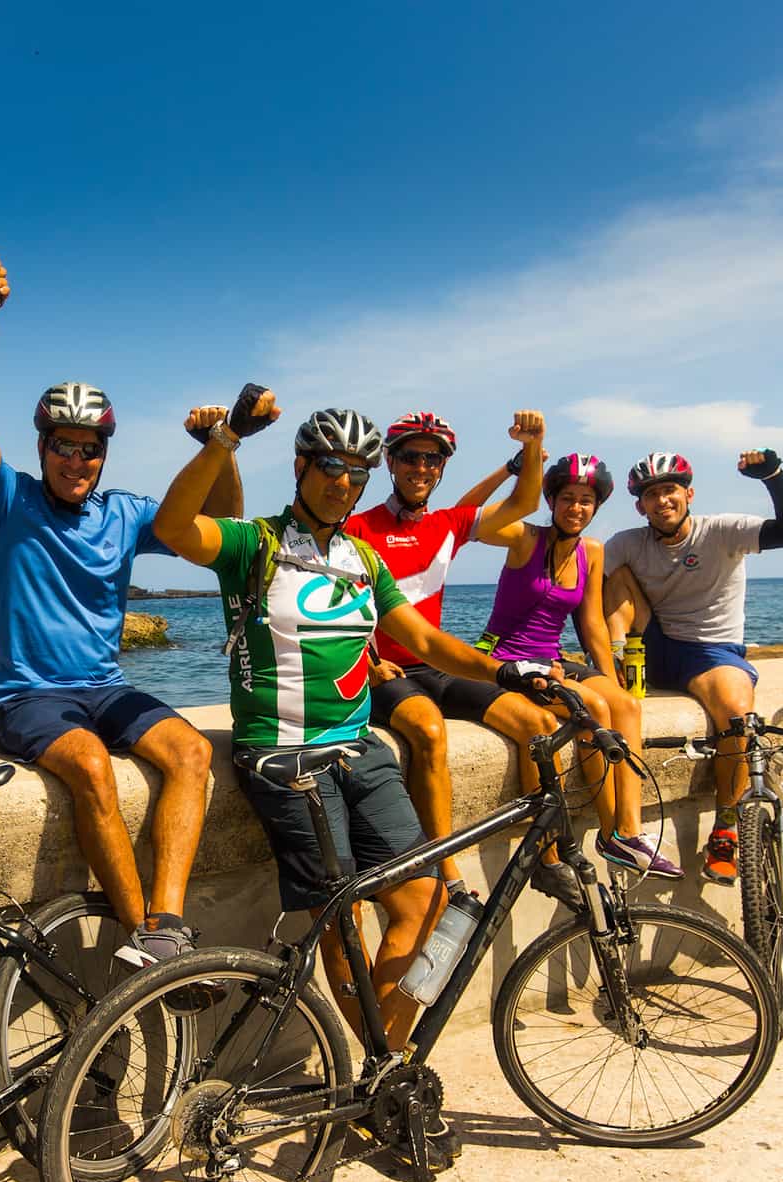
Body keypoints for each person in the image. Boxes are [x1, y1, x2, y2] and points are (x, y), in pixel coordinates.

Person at [153, 387, 569, 1070]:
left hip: (359, 750)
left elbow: (425, 641)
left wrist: (509, 672)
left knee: (429, 898)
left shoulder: (362, 559)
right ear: (299, 466)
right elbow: (175, 528)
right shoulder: (253, 544)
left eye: (357, 473)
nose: (343, 483)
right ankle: (388, 1070)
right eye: (330, 467)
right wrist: (226, 438)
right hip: (284, 757)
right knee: (340, 921)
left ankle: (384, 1057)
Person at [0, 265, 232, 969]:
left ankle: (167, 922)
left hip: (105, 688)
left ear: (105, 453)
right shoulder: (8, 499)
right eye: (63, 445)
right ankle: (147, 942)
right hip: (28, 698)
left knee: (194, 753)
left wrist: (219, 447)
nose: (77, 459)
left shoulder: (126, 513)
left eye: (90, 447)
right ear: (42, 446)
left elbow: (221, 525)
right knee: (93, 768)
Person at [345, 410, 558, 902]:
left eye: (433, 459)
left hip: (434, 667)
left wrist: (532, 445)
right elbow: (336, 604)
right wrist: (369, 662)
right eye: (411, 458)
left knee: (536, 724)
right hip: (383, 672)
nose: (422, 468)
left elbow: (525, 500)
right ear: (390, 463)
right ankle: (445, 867)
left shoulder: (449, 525)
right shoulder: (355, 527)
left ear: (442, 468)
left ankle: (545, 857)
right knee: (428, 731)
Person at [602, 449, 783, 883]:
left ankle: (726, 828)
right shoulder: (627, 542)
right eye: (651, 495)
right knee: (607, 572)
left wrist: (772, 476)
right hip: (650, 645)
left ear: (689, 494)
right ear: (640, 505)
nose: (662, 501)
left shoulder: (723, 531)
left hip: (711, 651)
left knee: (736, 716)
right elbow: (577, 586)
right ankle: (614, 661)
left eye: (670, 491)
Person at [465, 452, 678, 877]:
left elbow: (592, 620)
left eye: (585, 500)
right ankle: (609, 832)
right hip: (508, 659)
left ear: (596, 506)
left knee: (626, 706)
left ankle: (629, 831)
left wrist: (607, 670)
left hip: (555, 658)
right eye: (567, 498)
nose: (575, 508)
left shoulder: (592, 552)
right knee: (593, 711)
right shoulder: (524, 537)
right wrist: (513, 468)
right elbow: (466, 518)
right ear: (550, 500)